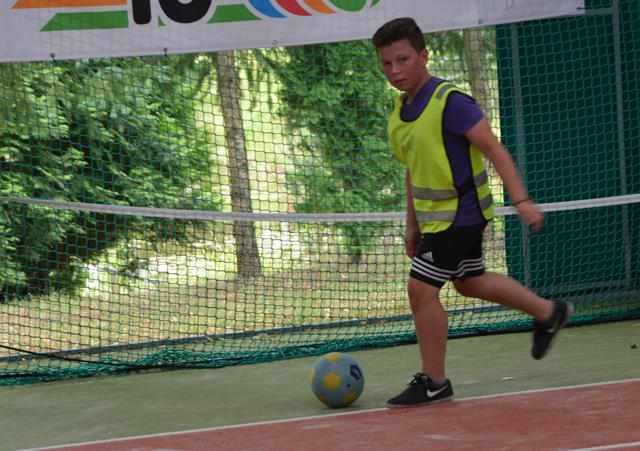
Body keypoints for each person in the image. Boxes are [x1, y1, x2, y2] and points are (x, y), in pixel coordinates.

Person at [371, 17, 573, 408]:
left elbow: (494, 148)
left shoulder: (451, 103)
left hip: (461, 215)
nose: (394, 70)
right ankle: (550, 312)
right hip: (436, 220)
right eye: (386, 63)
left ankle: (434, 382)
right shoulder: (400, 112)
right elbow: (413, 171)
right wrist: (411, 225)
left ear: (423, 56)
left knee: (420, 290)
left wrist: (521, 200)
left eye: (402, 60)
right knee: (469, 282)